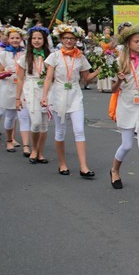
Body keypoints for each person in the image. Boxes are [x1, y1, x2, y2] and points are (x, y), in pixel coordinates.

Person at [41, 24, 100, 177]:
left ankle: (84, 167)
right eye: (66, 38)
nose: (68, 41)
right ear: (61, 39)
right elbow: (48, 78)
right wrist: (44, 96)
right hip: (58, 93)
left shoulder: (80, 56)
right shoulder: (54, 56)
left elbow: (86, 78)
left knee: (79, 130)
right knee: (60, 131)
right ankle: (62, 164)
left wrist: (100, 69)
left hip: (74, 94)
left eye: (72, 38)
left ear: (76, 40)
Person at [109, 24, 139, 198]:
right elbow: (113, 90)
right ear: (128, 43)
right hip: (126, 103)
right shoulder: (119, 62)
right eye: (136, 41)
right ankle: (114, 170)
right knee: (128, 144)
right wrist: (120, 80)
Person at [15, 26, 51, 163]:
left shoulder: (50, 56)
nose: (36, 41)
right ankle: (34, 148)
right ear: (30, 40)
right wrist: (17, 98)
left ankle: (40, 151)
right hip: (31, 88)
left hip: (46, 89)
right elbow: (20, 78)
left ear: (44, 40)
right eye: (34, 38)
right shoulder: (24, 57)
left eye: (39, 38)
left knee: (44, 124)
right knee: (35, 122)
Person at [0, 27, 29, 153]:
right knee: (10, 117)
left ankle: (26, 146)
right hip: (9, 87)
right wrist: (6, 73)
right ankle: (9, 140)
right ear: (8, 40)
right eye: (12, 38)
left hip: (22, 87)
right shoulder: (3, 54)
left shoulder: (25, 53)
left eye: (17, 38)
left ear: (21, 39)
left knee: (24, 116)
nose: (15, 40)